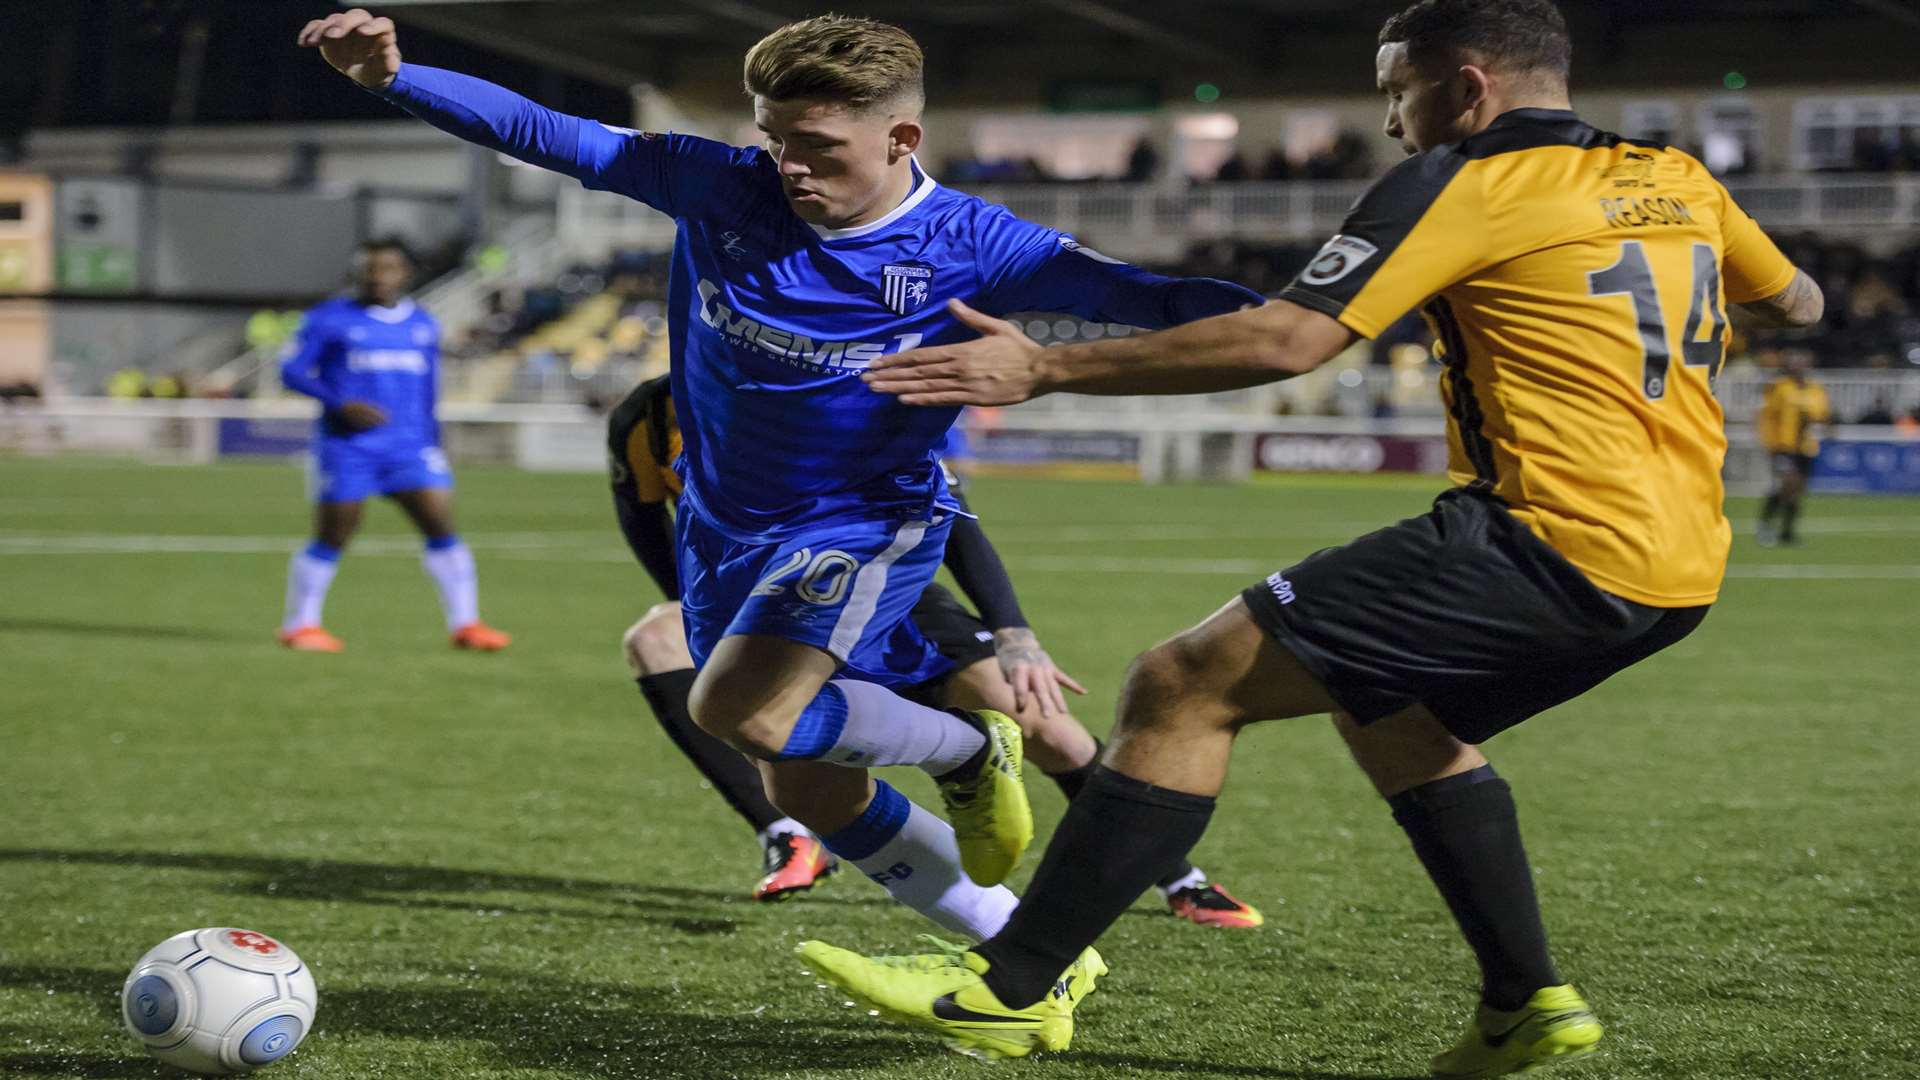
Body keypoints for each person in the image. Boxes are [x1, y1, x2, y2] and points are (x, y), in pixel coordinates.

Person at [795, 0, 1825, 1072]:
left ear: (1467, 86)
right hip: (1680, 568)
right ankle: (1526, 1001)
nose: (1391, 122)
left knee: (1182, 682)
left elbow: (1290, 341)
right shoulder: (1680, 179)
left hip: (1545, 537)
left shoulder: (1464, 182)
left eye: (1398, 91)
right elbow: (1797, 301)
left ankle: (1008, 991)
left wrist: (1048, 365)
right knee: (1395, 717)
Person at [299, 9, 1262, 993]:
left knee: (740, 713)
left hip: (864, 519)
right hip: (723, 529)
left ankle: (968, 752)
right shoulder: (723, 186)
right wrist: (393, 77)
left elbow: (1162, 300)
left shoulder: (978, 244)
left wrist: (1332, 311)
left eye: (816, 143)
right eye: (773, 134)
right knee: (804, 779)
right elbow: (550, 133)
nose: (788, 162)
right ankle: (1027, 957)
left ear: (901, 138)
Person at [609, 374, 1263, 924]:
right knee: (658, 642)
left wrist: (1014, 634)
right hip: (770, 618)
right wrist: (704, 618)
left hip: (890, 600)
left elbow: (950, 517)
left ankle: (1176, 877)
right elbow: (643, 520)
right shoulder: (648, 414)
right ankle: (788, 835)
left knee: (1052, 735)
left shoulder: (837, 394)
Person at [276, 237, 511, 653]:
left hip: (412, 448)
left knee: (443, 529)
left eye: (387, 269)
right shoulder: (329, 319)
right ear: (357, 273)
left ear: (403, 274)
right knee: (333, 537)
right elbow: (292, 372)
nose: (378, 277)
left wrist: (434, 440)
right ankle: (300, 625)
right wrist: (339, 402)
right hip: (350, 448)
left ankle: (466, 624)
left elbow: (428, 389)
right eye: (370, 269)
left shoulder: (422, 323)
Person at [1755, 353, 1831, 547]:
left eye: (1802, 362)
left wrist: (1823, 426)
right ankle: (1765, 526)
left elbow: (1822, 416)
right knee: (1787, 484)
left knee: (1797, 491)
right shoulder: (1780, 388)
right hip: (1784, 446)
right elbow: (1768, 416)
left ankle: (1787, 533)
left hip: (1806, 447)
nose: (1798, 366)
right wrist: (1770, 443)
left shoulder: (1816, 390)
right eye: (1795, 363)